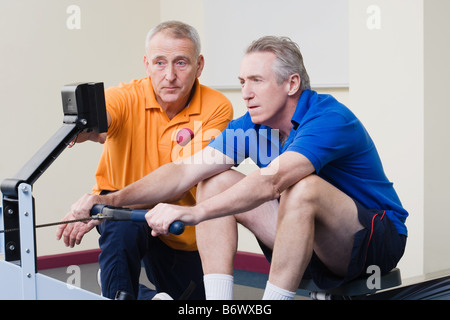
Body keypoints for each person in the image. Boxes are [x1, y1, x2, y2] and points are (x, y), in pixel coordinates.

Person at [64, 36, 408, 300]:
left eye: (256, 81)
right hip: (310, 242)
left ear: (291, 84)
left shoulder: (328, 118)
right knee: (213, 179)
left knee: (303, 186)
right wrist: (111, 200)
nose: (245, 93)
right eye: (242, 82)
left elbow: (272, 181)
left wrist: (197, 213)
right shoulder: (250, 127)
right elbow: (184, 171)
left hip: (373, 241)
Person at [56, 21, 233, 300]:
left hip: (179, 225)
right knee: (120, 236)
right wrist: (80, 130)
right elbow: (100, 120)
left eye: (181, 63)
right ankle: (123, 287)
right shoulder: (125, 97)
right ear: (146, 64)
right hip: (125, 211)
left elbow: (181, 176)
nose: (170, 75)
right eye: (160, 63)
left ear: (199, 66)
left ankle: (126, 286)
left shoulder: (216, 107)